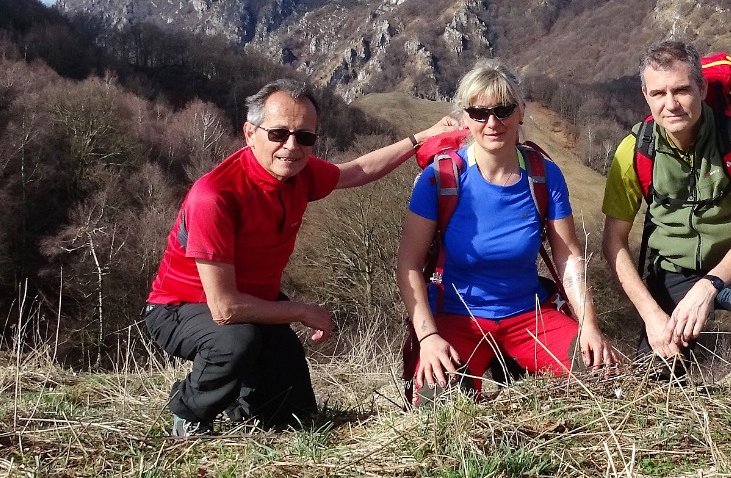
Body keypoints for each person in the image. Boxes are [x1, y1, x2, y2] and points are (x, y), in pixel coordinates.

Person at [144, 77, 456, 436]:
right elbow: (224, 309)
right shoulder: (215, 197)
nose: (291, 147)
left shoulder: (299, 175)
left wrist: (421, 137)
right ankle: (189, 410)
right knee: (235, 342)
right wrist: (301, 311)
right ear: (250, 133)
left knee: (293, 413)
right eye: (278, 134)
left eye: (305, 137)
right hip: (181, 308)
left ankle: (238, 403)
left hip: (255, 303)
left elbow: (355, 171)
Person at [396, 60, 618, 399]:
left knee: (606, 379)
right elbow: (408, 265)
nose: (492, 123)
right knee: (437, 406)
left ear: (521, 112)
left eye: (502, 110)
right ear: (465, 118)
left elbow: (569, 256)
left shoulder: (543, 176)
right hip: (458, 318)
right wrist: (428, 338)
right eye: (479, 113)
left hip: (531, 315)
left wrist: (589, 324)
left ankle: (513, 366)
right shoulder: (440, 179)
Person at [602, 40, 731, 395]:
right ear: (645, 95)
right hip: (673, 271)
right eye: (658, 93)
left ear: (702, 88)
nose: (670, 104)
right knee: (653, 385)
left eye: (682, 90)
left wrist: (709, 287)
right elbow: (612, 243)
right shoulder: (635, 150)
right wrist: (652, 315)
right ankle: (669, 377)